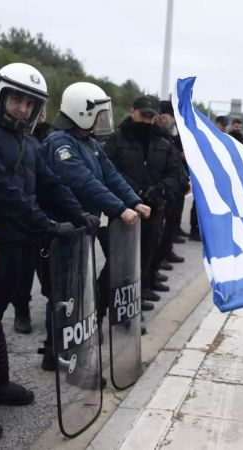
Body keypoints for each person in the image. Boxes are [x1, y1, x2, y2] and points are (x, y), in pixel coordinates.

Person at [0, 63, 99, 392]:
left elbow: (50, 182)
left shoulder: (25, 139)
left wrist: (79, 214)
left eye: (29, 103)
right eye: (16, 100)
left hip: (17, 241)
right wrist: (48, 224)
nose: (23, 108)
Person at [39, 81, 152, 323]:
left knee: (78, 286)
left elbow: (111, 175)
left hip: (82, 228)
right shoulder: (61, 144)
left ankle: (74, 342)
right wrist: (120, 209)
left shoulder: (88, 142)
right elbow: (84, 181)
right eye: (98, 115)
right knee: (63, 291)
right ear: (83, 112)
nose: (101, 121)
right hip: (63, 229)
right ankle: (56, 352)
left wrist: (133, 201)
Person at [104, 95, 184, 301]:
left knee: (144, 263)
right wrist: (133, 193)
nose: (147, 119)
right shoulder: (116, 139)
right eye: (143, 114)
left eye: (151, 115)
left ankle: (132, 309)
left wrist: (160, 190)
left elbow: (177, 175)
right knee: (118, 265)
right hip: (124, 212)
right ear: (132, 111)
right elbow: (108, 170)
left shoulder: (164, 142)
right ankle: (107, 307)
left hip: (153, 212)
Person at [155, 100, 189, 267]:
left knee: (171, 221)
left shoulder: (176, 134)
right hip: (161, 185)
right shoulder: (157, 135)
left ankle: (166, 251)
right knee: (159, 226)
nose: (167, 119)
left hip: (176, 183)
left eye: (169, 116)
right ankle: (157, 259)